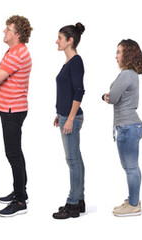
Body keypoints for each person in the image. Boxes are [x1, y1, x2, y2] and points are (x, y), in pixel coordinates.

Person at [0, 15, 32, 217]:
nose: (4, 32)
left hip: (13, 110)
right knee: (15, 152)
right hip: (8, 109)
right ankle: (20, 190)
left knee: (12, 153)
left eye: (8, 29)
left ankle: (20, 200)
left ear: (17, 34)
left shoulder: (18, 54)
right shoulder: (11, 52)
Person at [104, 39, 142, 217]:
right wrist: (110, 96)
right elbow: (115, 97)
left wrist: (106, 96)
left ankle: (134, 204)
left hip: (128, 127)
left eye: (119, 52)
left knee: (131, 168)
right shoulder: (130, 74)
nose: (116, 56)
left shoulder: (126, 74)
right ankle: (133, 200)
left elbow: (113, 98)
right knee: (130, 167)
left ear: (127, 54)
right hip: (129, 125)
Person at [51, 22, 87, 219]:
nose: (56, 41)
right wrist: (60, 114)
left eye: (60, 38)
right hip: (66, 115)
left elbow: (79, 91)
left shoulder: (76, 61)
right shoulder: (69, 62)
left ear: (70, 40)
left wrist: (70, 118)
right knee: (76, 159)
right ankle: (79, 200)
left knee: (72, 160)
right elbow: (67, 91)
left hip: (72, 117)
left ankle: (72, 203)